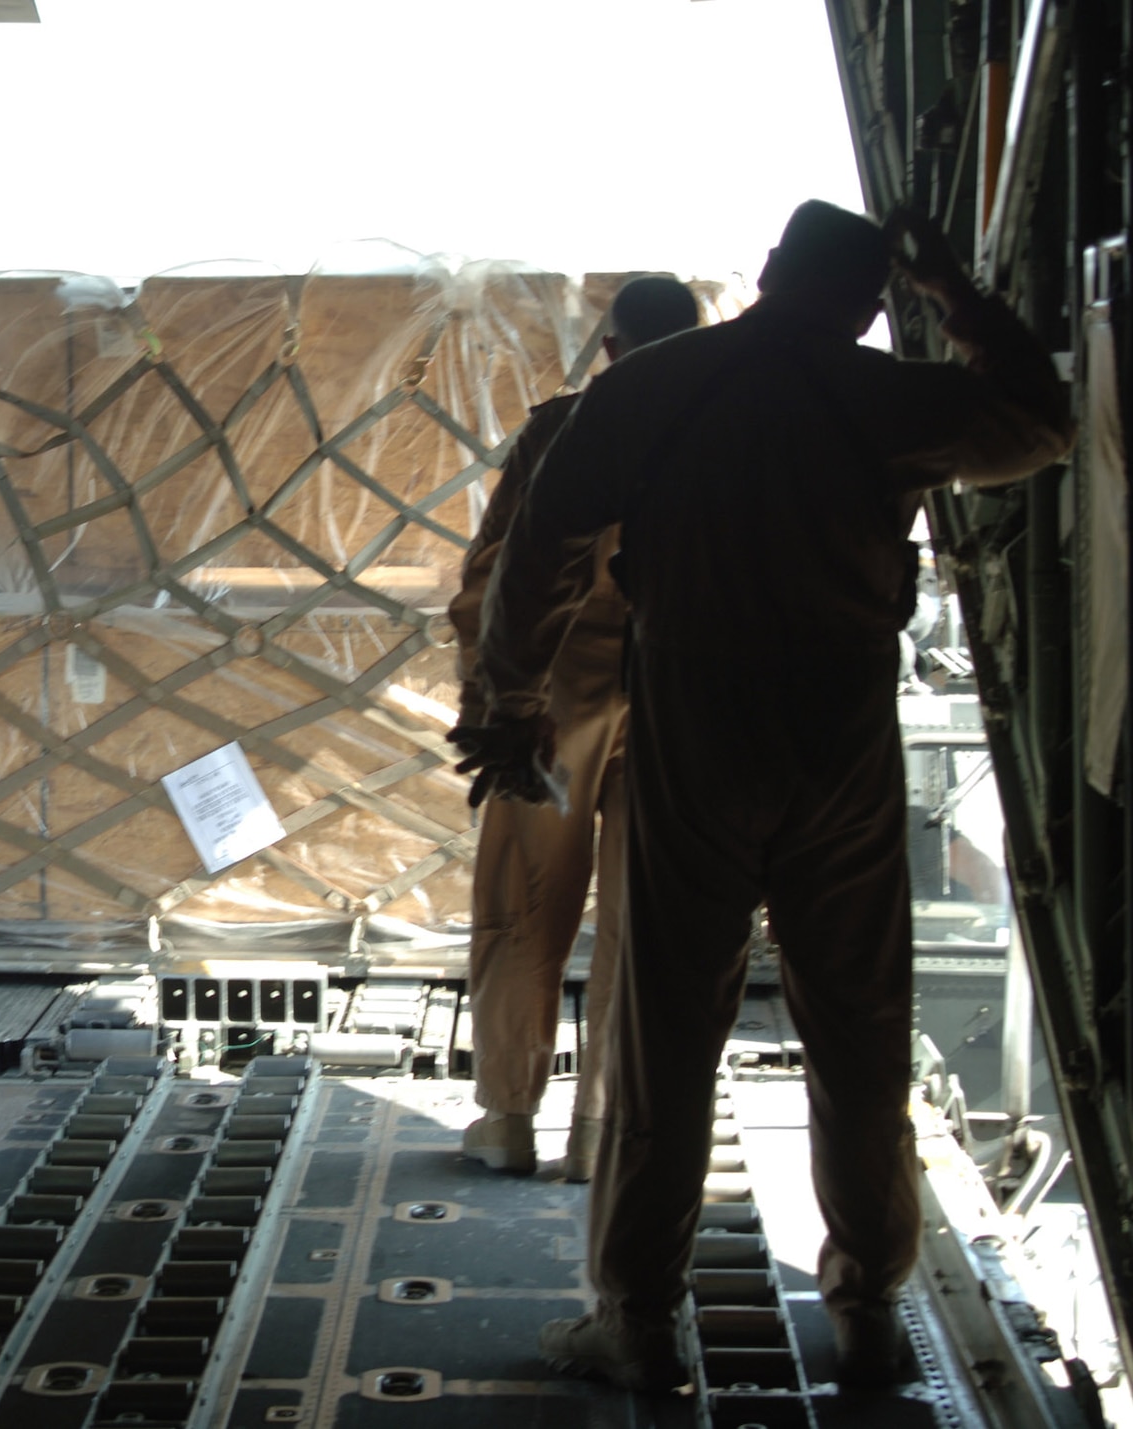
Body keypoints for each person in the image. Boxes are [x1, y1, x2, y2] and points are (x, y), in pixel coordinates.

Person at [460, 200, 1071, 1391]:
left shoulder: (648, 391)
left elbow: (540, 548)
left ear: (769, 274)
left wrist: (509, 700)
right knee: (856, 1032)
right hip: (838, 737)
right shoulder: (884, 400)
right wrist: (950, 291)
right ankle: (866, 1306)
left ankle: (635, 1316)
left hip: (693, 726)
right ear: (864, 304)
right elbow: (1042, 419)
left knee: (666, 1032)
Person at [451, 276, 702, 1181]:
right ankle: (604, 1131)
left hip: (557, 690)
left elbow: (502, 570)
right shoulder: (727, 429)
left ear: (612, 348)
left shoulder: (565, 427)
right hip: (683, 688)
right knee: (647, 917)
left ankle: (509, 1117)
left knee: (524, 901)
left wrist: (488, 704)